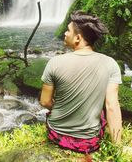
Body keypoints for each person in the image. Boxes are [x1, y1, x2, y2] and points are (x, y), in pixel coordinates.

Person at [40, 10, 122, 162]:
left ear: (78, 38)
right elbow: (111, 106)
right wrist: (117, 148)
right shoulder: (111, 64)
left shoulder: (54, 63)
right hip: (89, 142)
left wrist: (64, 109)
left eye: (68, 30)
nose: (64, 33)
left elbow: (45, 102)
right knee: (101, 113)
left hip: (57, 135)